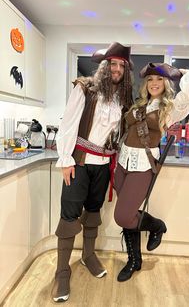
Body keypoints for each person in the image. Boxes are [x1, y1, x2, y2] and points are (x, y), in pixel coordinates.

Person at [52, 42, 133, 302]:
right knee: (69, 216)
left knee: (94, 212)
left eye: (122, 65)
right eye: (113, 64)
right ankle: (62, 272)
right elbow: (68, 123)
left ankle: (87, 255)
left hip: (104, 166)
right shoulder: (85, 88)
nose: (117, 69)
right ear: (104, 66)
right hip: (79, 162)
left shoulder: (123, 99)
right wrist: (65, 159)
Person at [114, 62, 189, 282]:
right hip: (122, 163)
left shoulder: (171, 107)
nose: (154, 83)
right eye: (151, 79)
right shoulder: (140, 103)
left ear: (166, 83)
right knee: (130, 214)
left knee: (123, 216)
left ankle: (157, 226)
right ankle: (134, 260)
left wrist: (178, 72)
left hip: (143, 165)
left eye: (160, 79)